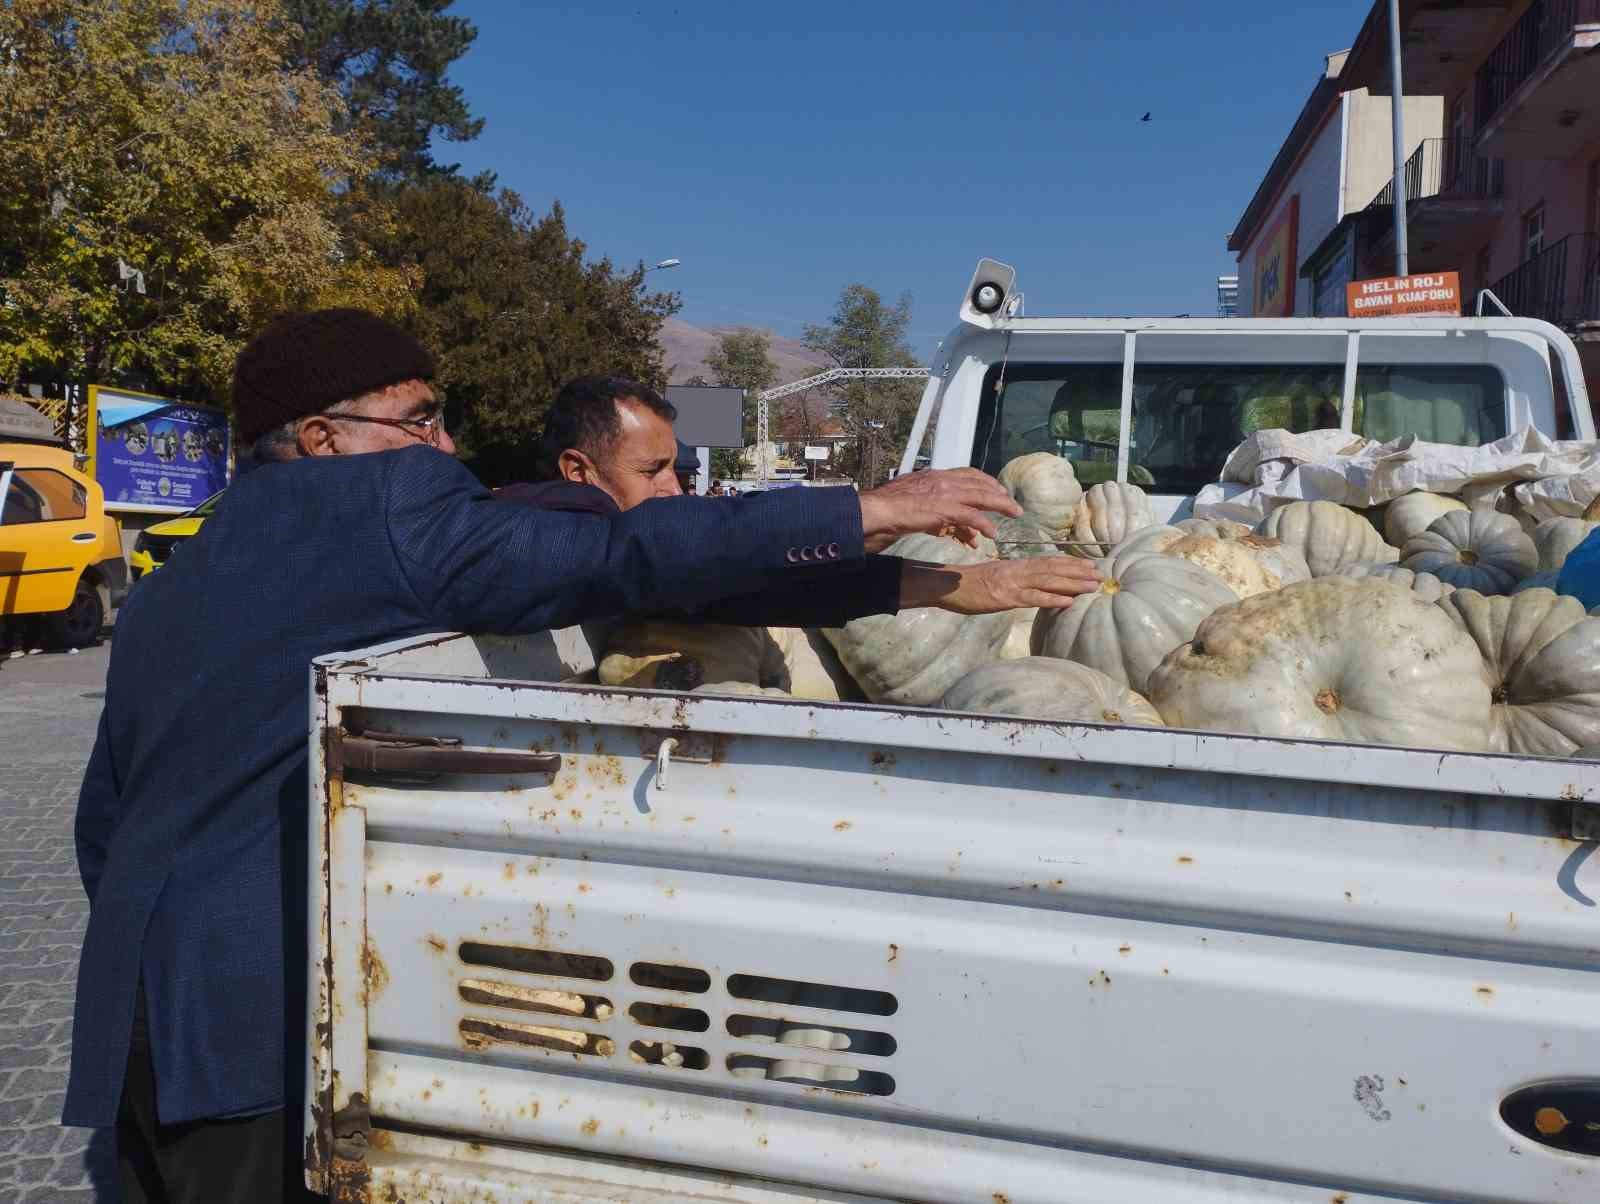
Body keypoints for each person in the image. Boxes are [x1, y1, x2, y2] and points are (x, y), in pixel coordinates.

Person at [64, 310, 1101, 1203]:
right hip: (252, 1041)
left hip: (135, 1030)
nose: (447, 439)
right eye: (419, 417)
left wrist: (911, 589)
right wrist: (866, 511)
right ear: (324, 439)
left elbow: (101, 823)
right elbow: (628, 550)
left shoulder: (166, 590)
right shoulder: (384, 507)